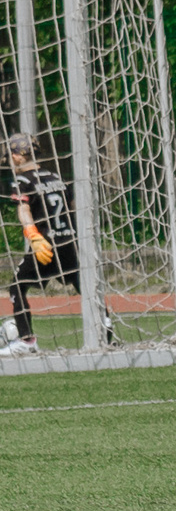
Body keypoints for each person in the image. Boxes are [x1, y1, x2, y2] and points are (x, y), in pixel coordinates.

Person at [4, 135, 87, 355]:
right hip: (69, 241)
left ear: (19, 156)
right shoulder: (55, 176)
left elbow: (24, 209)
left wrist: (33, 234)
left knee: (17, 286)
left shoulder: (22, 181)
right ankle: (106, 333)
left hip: (46, 245)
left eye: (10, 155)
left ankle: (27, 340)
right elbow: (71, 206)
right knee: (84, 287)